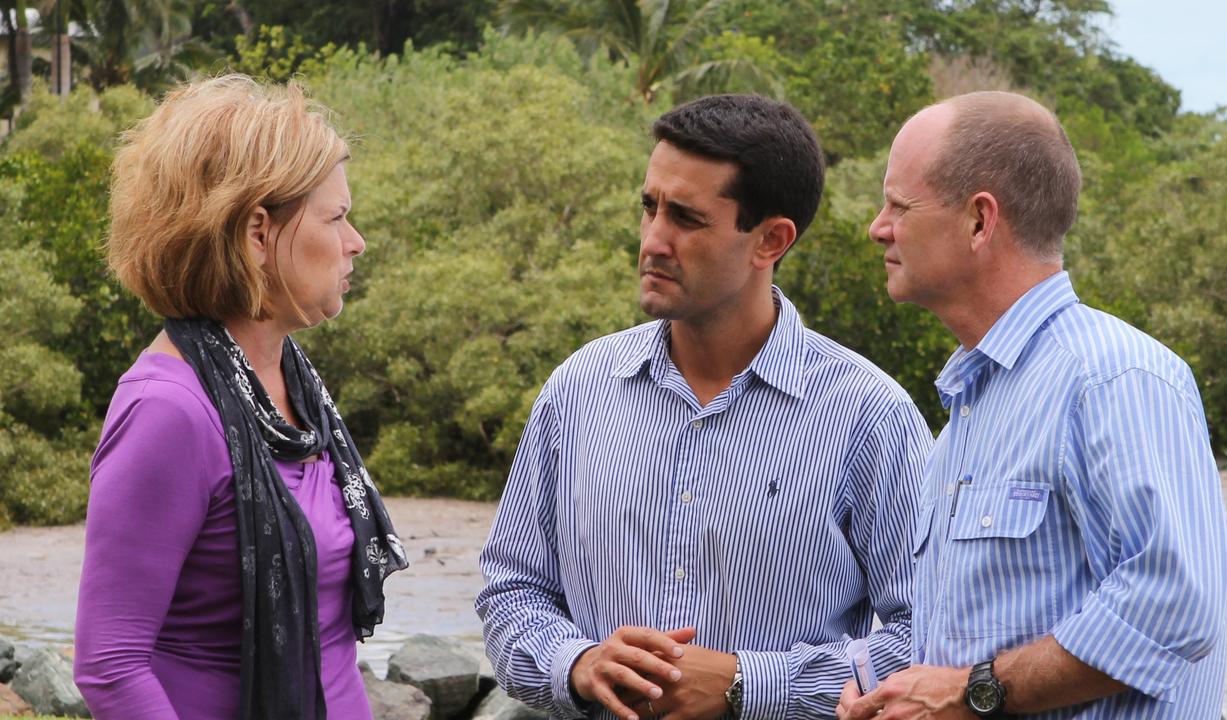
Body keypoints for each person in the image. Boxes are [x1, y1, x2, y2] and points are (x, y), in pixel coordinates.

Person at [476, 94, 933, 720]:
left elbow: (927, 637)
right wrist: (578, 662)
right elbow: (510, 591)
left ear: (769, 240)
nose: (654, 241)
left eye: (687, 218)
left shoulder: (868, 415)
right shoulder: (578, 390)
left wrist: (749, 685)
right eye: (648, 207)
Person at [838, 91, 1227, 720]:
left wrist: (973, 691)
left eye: (898, 205)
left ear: (978, 220)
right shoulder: (960, 425)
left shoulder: (1114, 378)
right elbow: (951, 654)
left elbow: (1173, 605)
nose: (877, 227)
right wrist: (875, 692)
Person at [73, 75, 408, 720]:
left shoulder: (289, 383)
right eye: (336, 217)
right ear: (258, 234)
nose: (355, 240)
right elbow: (109, 664)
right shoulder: (170, 413)